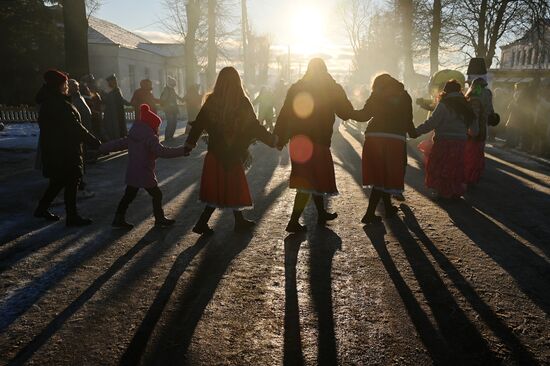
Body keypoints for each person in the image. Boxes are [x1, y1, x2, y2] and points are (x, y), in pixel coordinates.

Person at [183, 67, 278, 234]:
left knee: (219, 188)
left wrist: (189, 144)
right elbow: (254, 126)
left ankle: (230, 221)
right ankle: (205, 223)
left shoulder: (211, 101)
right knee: (233, 187)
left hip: (216, 153)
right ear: (237, 82)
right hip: (234, 153)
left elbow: (199, 124)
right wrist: (271, 140)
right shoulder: (242, 101)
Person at [273, 58, 354, 232]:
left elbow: (285, 113)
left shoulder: (296, 87)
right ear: (324, 70)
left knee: (310, 178)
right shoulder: (330, 88)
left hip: (299, 141)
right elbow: (346, 112)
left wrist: (279, 137)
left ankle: (321, 213)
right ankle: (293, 221)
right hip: (318, 140)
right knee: (309, 181)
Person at [99, 104, 188, 228]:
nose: (157, 129)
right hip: (145, 172)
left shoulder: (133, 135)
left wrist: (102, 147)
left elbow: (118, 144)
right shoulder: (150, 137)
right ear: (152, 125)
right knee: (157, 195)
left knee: (128, 196)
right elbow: (162, 152)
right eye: (157, 126)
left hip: (133, 172)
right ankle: (159, 218)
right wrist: (182, 151)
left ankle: (118, 218)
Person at [34, 69, 101, 226]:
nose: (67, 86)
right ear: (58, 85)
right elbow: (74, 126)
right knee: (72, 181)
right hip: (65, 150)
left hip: (55, 149)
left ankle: (41, 209)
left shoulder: (51, 100)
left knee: (57, 181)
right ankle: (72, 217)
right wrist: (93, 141)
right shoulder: (58, 103)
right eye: (65, 83)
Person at [349, 74, 417, 224]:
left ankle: (387, 207)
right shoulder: (404, 95)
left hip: (374, 136)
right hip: (394, 138)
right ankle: (369, 214)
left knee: (380, 175)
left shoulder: (377, 94)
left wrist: (348, 112)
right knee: (385, 176)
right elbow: (408, 119)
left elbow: (364, 115)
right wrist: (413, 133)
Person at [414, 80, 478, 199]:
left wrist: (416, 131)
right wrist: (473, 134)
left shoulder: (444, 104)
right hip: (460, 141)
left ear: (446, 91)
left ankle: (443, 191)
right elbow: (474, 124)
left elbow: (432, 123)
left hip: (443, 140)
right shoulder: (466, 105)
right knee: (455, 166)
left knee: (441, 166)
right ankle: (454, 191)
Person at [464, 77, 494, 186]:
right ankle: (475, 175)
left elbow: (474, 116)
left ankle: (469, 176)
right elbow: (491, 111)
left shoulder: (474, 97)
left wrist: (472, 130)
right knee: (478, 152)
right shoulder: (488, 94)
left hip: (474, 129)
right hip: (483, 128)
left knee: (470, 153)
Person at [103, 74, 131, 140]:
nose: (114, 82)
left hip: (117, 113)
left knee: (119, 128)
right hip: (112, 114)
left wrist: (129, 104)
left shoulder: (116, 90)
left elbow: (121, 100)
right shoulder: (109, 91)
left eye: (113, 81)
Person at [80, 74, 103, 139]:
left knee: (97, 128)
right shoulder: (83, 89)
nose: (92, 83)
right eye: (90, 81)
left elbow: (97, 99)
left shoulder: (92, 90)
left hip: (95, 112)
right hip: (91, 113)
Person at [160, 76, 183, 141]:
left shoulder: (172, 89)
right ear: (171, 83)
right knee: (170, 123)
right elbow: (163, 99)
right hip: (169, 110)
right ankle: (167, 137)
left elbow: (176, 96)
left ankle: (170, 136)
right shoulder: (166, 90)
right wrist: (169, 103)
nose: (175, 85)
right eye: (174, 83)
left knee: (174, 123)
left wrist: (182, 99)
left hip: (173, 109)